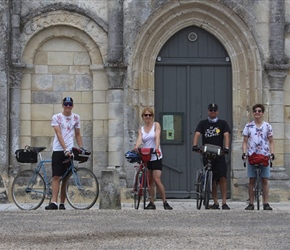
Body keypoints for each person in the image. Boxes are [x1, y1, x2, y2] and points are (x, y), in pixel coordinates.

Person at [45, 97, 84, 210]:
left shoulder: (76, 117)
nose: (68, 106)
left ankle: (62, 202)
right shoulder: (56, 117)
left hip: (70, 149)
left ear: (72, 105)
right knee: (57, 176)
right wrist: (65, 148)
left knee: (66, 177)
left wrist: (81, 148)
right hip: (58, 149)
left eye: (70, 104)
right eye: (66, 104)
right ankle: (54, 202)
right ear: (63, 105)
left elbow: (77, 134)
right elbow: (58, 133)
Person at [192, 103, 231, 210]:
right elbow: (197, 133)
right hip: (207, 152)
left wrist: (226, 148)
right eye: (211, 110)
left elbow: (226, 135)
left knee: (222, 177)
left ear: (217, 112)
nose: (212, 112)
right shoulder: (203, 123)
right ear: (208, 112)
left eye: (214, 111)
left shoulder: (222, 123)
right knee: (212, 178)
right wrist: (195, 145)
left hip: (219, 153)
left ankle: (224, 202)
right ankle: (215, 202)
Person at [134, 107, 173, 210]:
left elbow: (157, 137)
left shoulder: (156, 125)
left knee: (157, 179)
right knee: (149, 181)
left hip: (155, 155)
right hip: (146, 156)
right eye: (145, 115)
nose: (148, 117)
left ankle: (165, 201)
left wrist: (156, 148)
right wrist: (136, 147)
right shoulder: (141, 129)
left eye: (149, 115)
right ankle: (151, 202)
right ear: (142, 117)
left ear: (152, 116)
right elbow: (139, 139)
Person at [242, 104, 274, 211]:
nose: (257, 112)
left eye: (259, 111)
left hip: (264, 155)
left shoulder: (268, 126)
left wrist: (272, 153)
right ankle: (251, 203)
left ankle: (266, 203)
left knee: (264, 180)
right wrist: (244, 152)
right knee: (252, 180)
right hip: (252, 155)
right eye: (255, 111)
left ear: (262, 113)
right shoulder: (248, 126)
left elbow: (271, 141)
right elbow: (245, 141)